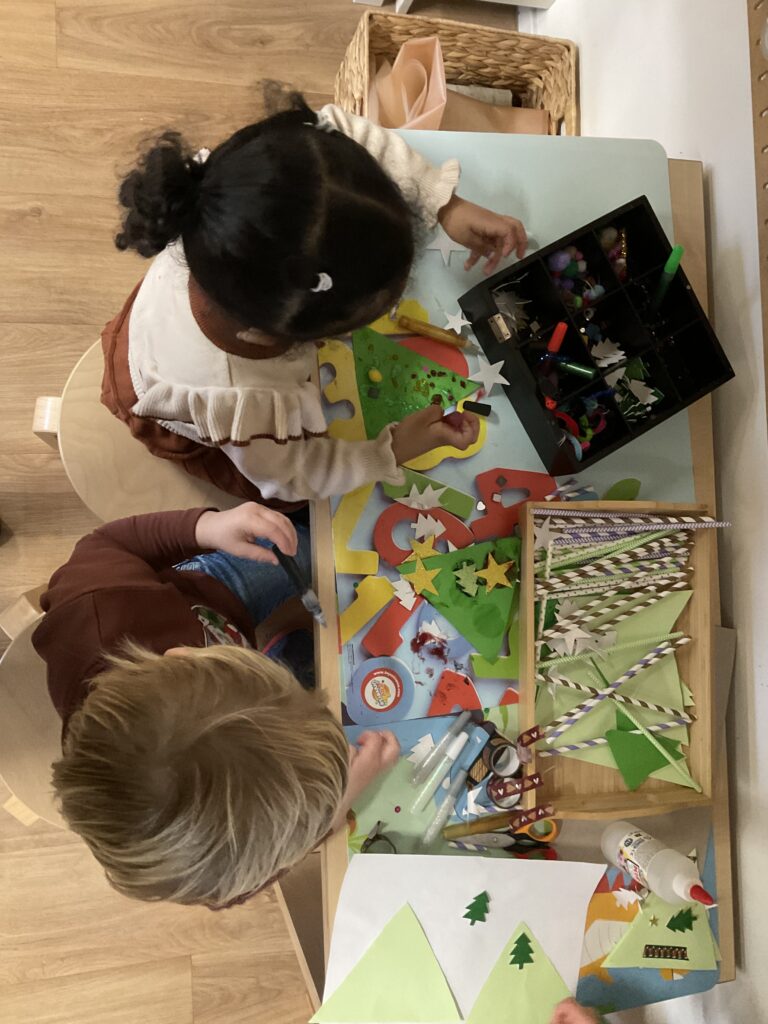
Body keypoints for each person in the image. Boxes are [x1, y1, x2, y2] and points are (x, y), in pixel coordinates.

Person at [102, 88, 527, 507]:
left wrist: (444, 203)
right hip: (175, 407)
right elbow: (293, 477)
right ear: (294, 334)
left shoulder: (236, 188)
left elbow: (337, 128)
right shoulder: (242, 401)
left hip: (176, 316)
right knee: (294, 508)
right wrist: (392, 451)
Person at [32, 502, 399, 909]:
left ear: (182, 655)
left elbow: (107, 542)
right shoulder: (208, 861)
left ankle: (287, 661)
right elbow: (258, 871)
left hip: (210, 592)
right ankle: (289, 661)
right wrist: (334, 807)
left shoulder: (100, 603)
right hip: (215, 634)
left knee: (311, 545)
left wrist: (205, 528)